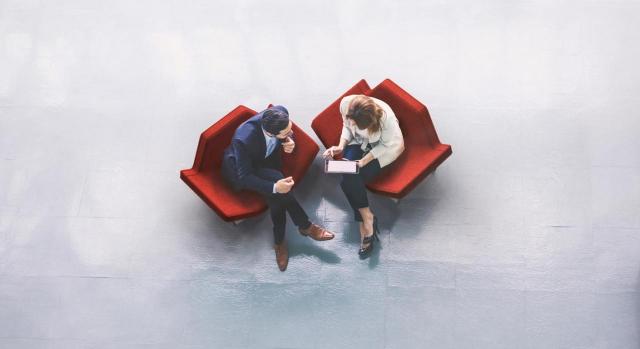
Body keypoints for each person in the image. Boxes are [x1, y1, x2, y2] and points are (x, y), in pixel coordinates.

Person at [221, 105, 335, 271]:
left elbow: (289, 132)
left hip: (267, 161)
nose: (290, 132)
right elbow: (244, 177)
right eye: (285, 133)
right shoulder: (243, 140)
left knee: (278, 197)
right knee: (278, 193)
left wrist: (289, 141)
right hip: (245, 169)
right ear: (271, 133)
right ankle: (302, 228)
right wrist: (275, 187)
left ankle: (282, 241)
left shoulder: (280, 112)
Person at [322, 95, 404, 258]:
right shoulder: (346, 104)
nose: (352, 124)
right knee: (349, 176)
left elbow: (385, 145)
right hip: (358, 142)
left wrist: (363, 161)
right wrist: (340, 146)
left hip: (383, 149)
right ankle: (367, 217)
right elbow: (346, 126)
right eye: (351, 120)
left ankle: (364, 219)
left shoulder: (386, 120)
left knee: (348, 181)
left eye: (356, 123)